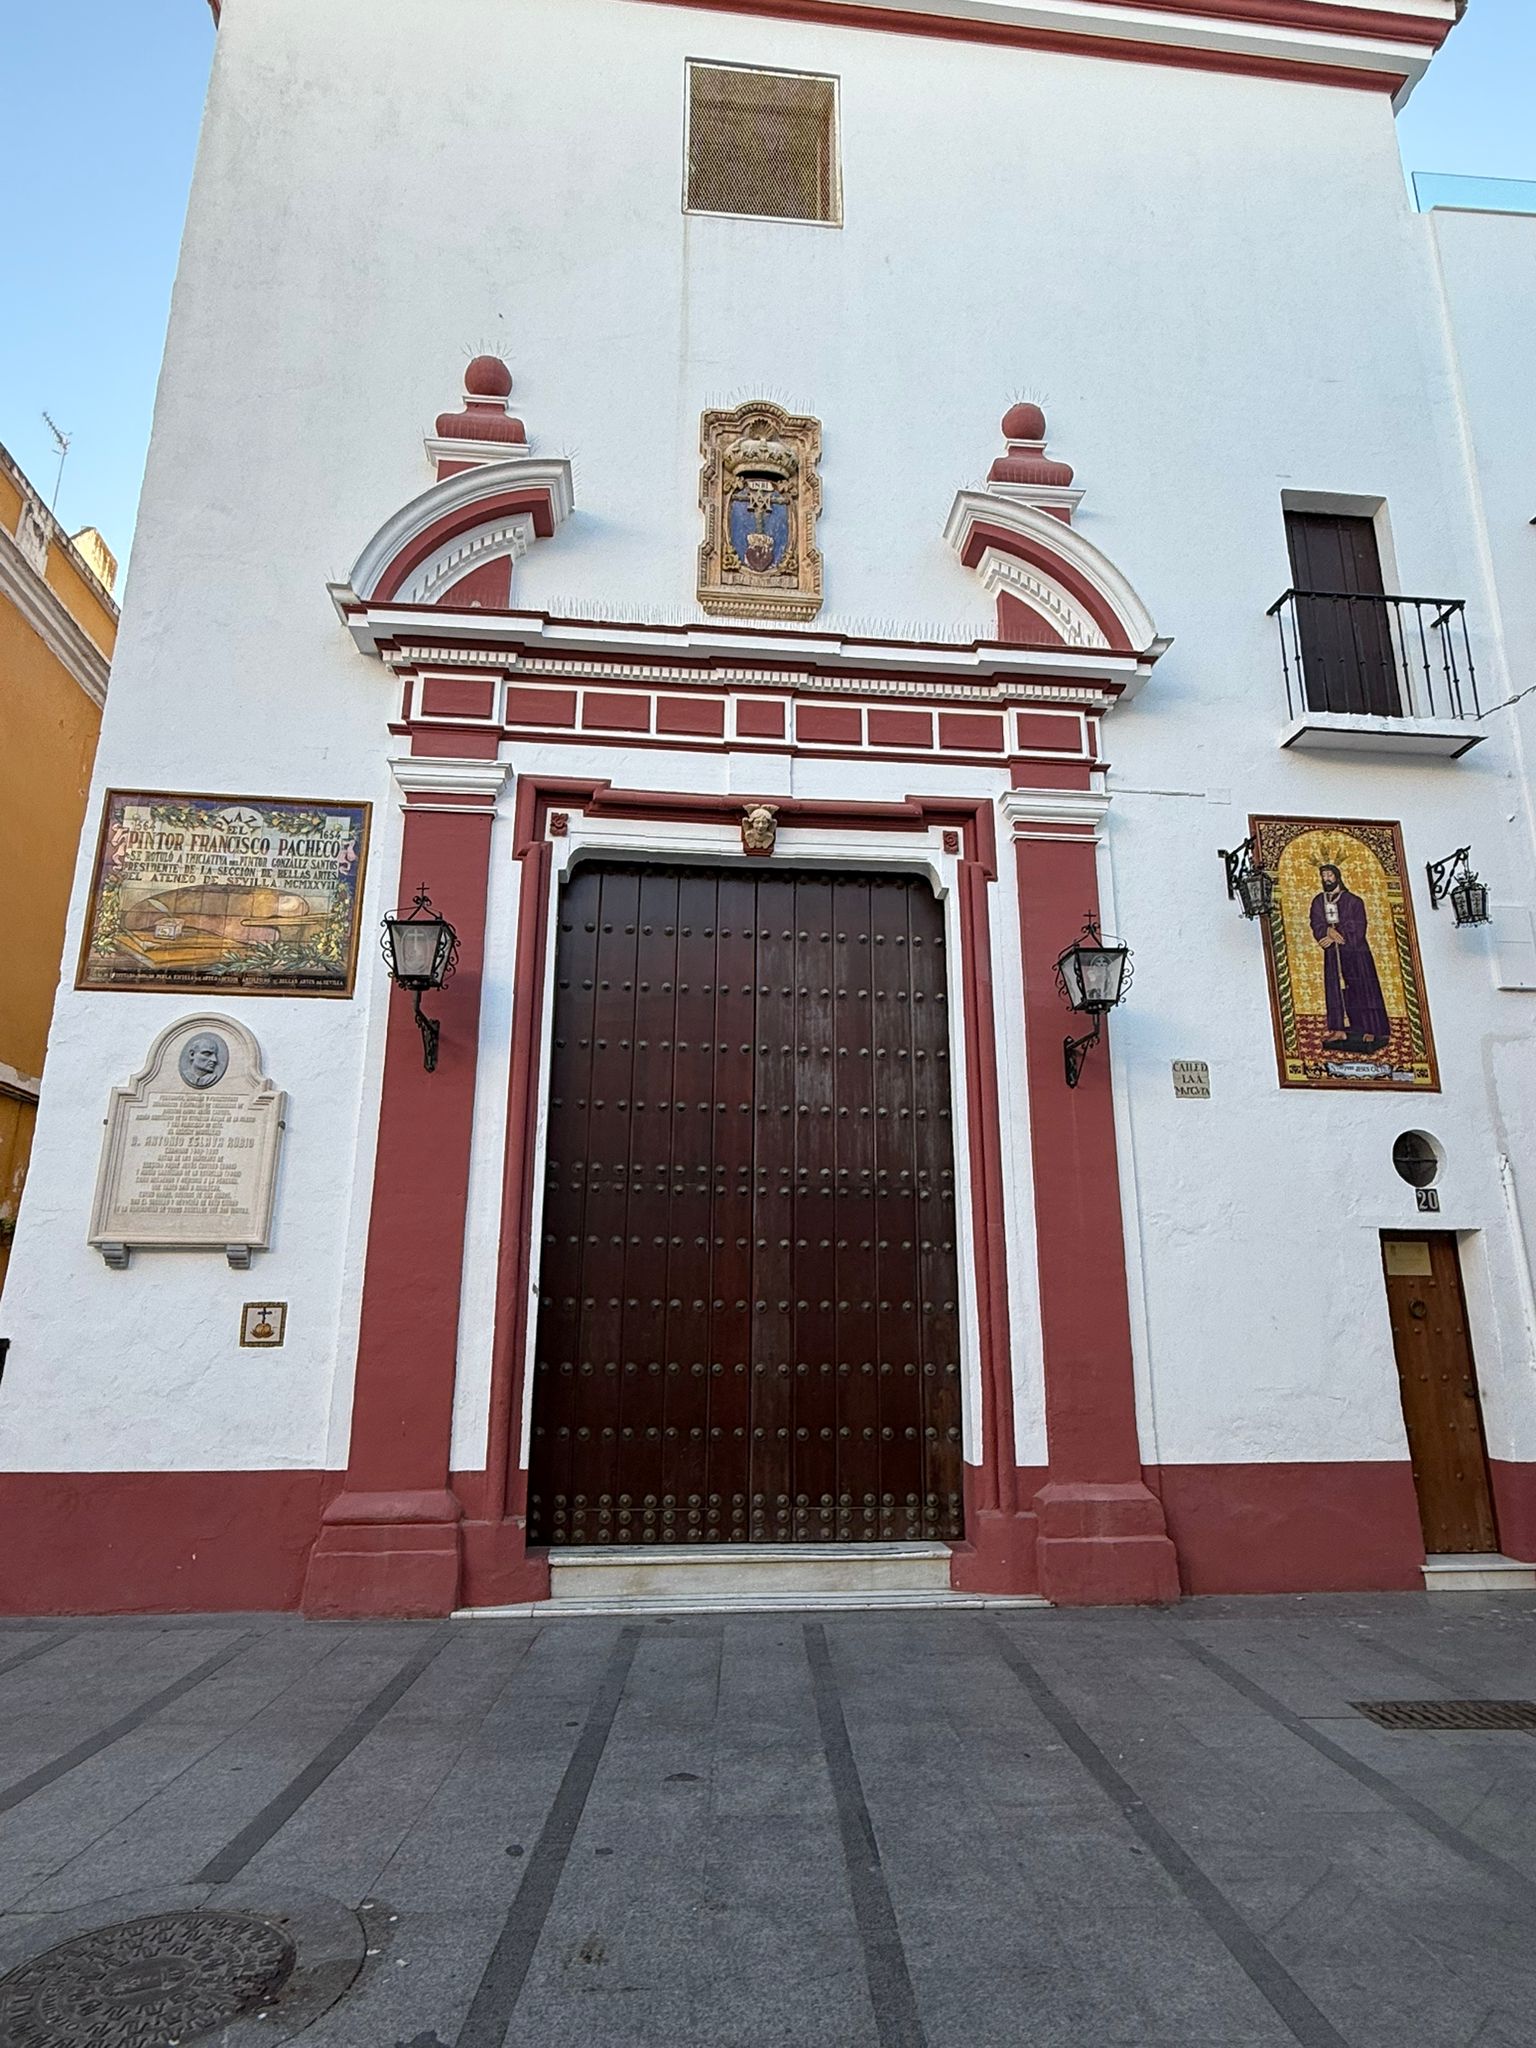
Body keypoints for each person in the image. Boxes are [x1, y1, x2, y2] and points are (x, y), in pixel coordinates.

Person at [1309, 863, 1389, 1051]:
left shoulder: (1354, 901)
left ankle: (1370, 1029)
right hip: (1333, 954)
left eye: (1330, 875)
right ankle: (1339, 1029)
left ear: (1337, 876)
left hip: (1356, 954)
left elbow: (1359, 925)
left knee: (1361, 988)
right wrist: (1326, 932)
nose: (1326, 879)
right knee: (1335, 989)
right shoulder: (1319, 901)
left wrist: (1340, 933)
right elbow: (1316, 921)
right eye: (1324, 876)